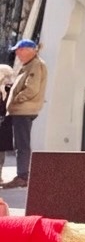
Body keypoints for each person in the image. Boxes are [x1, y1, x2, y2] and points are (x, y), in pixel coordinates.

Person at [1, 39, 47, 189]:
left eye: (20, 50)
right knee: (20, 144)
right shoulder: (30, 65)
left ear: (30, 50)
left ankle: (23, 176)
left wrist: (16, 100)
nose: (17, 53)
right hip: (21, 110)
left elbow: (32, 89)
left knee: (22, 144)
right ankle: (22, 175)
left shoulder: (36, 65)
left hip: (23, 110)